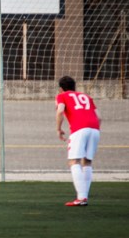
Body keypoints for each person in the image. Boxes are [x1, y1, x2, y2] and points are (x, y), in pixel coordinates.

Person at [55, 76, 101, 207]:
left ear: (61, 89)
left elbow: (60, 111)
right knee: (87, 161)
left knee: (74, 161)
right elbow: (99, 116)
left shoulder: (62, 96)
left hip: (79, 129)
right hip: (95, 128)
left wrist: (58, 129)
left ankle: (81, 198)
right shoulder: (86, 96)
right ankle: (84, 196)